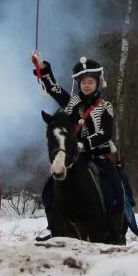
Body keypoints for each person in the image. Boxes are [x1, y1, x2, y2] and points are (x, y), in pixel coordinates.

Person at [33, 55, 130, 238]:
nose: (86, 85)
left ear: (97, 83)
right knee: (49, 189)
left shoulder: (105, 106)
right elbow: (54, 89)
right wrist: (42, 67)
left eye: (90, 82)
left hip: (99, 157)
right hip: (75, 159)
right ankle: (55, 228)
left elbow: (105, 134)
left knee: (116, 188)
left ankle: (116, 232)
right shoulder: (72, 103)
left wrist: (83, 143)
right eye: (83, 82)